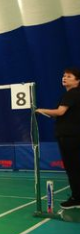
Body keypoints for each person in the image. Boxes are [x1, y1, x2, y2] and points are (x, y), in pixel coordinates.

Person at [36, 67, 80, 209]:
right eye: (64, 75)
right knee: (75, 167)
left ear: (77, 81)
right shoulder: (75, 95)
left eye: (69, 76)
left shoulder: (71, 94)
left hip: (68, 137)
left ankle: (77, 198)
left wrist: (40, 110)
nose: (64, 78)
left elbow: (60, 112)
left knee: (72, 168)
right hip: (73, 136)